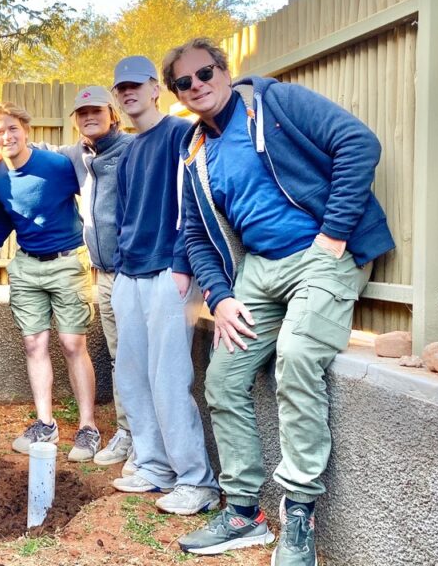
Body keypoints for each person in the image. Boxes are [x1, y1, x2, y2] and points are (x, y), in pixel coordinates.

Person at [166, 38, 394, 564]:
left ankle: (299, 514)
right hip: (258, 272)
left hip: (321, 256)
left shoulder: (276, 104)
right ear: (178, 93)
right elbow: (197, 235)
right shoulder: (194, 152)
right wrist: (220, 298)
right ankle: (245, 511)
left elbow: (359, 144)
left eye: (205, 73)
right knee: (222, 378)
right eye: (185, 82)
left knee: (295, 357)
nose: (197, 85)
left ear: (224, 70)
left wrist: (335, 232)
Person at [106, 56, 220, 516]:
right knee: (131, 375)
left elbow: (195, 202)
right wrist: (117, 267)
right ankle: (154, 467)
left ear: (157, 88)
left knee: (169, 378)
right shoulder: (130, 149)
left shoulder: (181, 133)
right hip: (128, 273)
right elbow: (125, 215)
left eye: (136, 85)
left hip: (169, 272)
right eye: (121, 88)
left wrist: (182, 262)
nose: (128, 93)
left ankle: (198, 481)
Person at [0, 102, 101, 462]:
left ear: (26, 130)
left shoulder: (57, 166)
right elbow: (5, 218)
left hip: (67, 261)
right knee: (34, 344)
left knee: (72, 343)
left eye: (12, 128)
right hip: (27, 266)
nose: (7, 136)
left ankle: (88, 427)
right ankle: (45, 423)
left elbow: (95, 199)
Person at [49, 86, 136, 468]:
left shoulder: (132, 150)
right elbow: (36, 155)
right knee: (119, 356)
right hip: (104, 274)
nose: (89, 117)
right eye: (81, 113)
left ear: (112, 114)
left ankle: (148, 442)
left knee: (141, 358)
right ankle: (127, 434)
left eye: (96, 110)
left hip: (139, 272)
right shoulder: (79, 155)